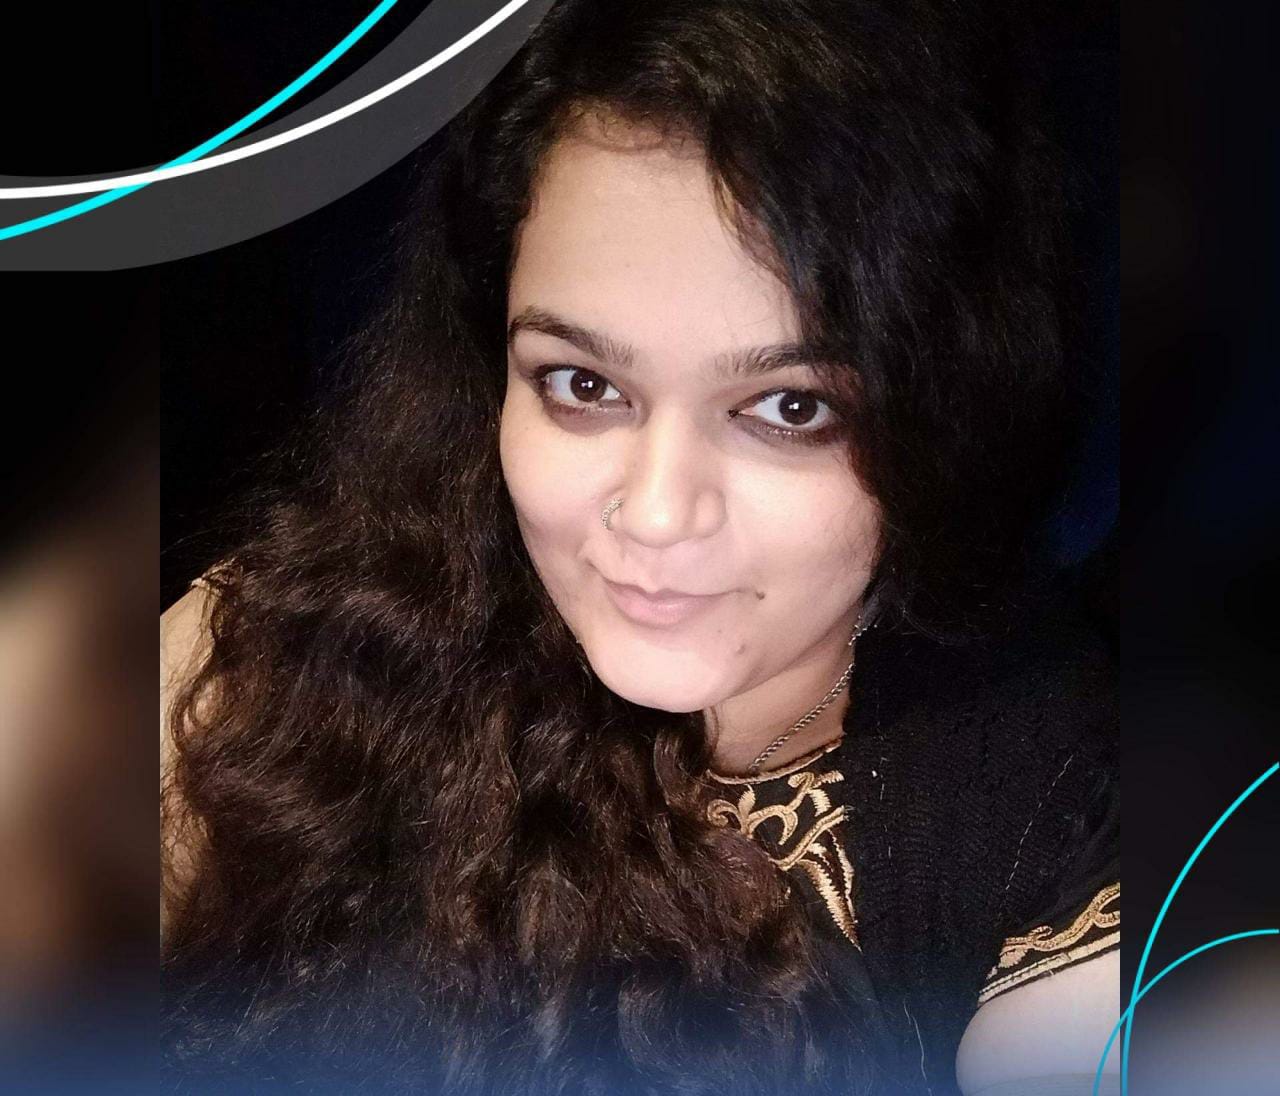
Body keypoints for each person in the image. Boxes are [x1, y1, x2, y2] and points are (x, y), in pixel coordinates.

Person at [160, 1, 1118, 1093]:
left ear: (943, 408)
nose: (656, 515)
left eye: (790, 408)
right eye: (583, 384)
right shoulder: (295, 635)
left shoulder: (1054, 807)